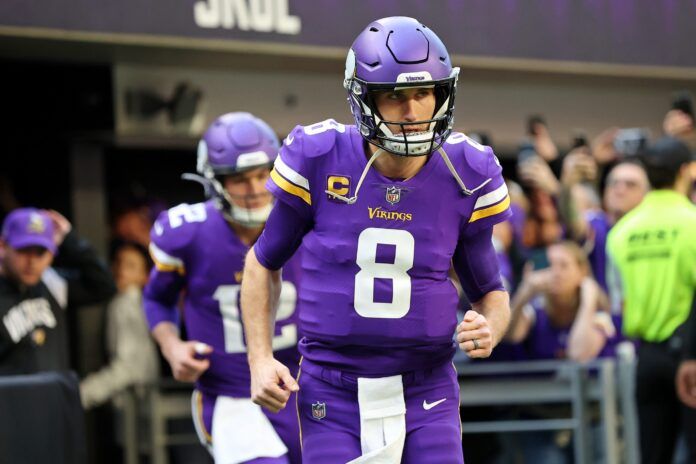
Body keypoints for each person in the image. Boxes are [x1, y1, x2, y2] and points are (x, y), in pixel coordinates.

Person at [241, 17, 511, 463]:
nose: (412, 112)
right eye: (394, 96)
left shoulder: (467, 172)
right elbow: (262, 262)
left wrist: (490, 328)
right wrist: (260, 358)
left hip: (425, 386)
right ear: (363, 99)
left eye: (423, 94)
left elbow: (491, 294)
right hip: (333, 387)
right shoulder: (319, 157)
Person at [143, 112, 302, 464]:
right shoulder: (188, 232)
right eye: (239, 179)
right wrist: (172, 347)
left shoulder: (306, 222)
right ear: (214, 181)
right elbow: (157, 297)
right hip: (233, 394)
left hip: (306, 390)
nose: (255, 189)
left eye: (263, 174)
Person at [607, 136, 696, 464]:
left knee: (651, 455)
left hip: (647, 358)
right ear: (686, 171)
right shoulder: (692, 223)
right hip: (691, 354)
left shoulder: (621, 232)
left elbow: (620, 301)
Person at [0, 208, 115, 374]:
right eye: (24, 250)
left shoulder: (51, 282)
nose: (32, 261)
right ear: (3, 246)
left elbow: (104, 286)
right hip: (10, 398)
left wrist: (70, 239)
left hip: (52, 396)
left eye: (41, 252)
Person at [80, 242, 159, 409]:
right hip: (143, 399)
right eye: (118, 263)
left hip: (133, 401)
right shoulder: (139, 303)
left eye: (131, 266)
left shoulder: (126, 303)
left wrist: (83, 393)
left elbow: (128, 367)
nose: (122, 271)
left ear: (145, 276)